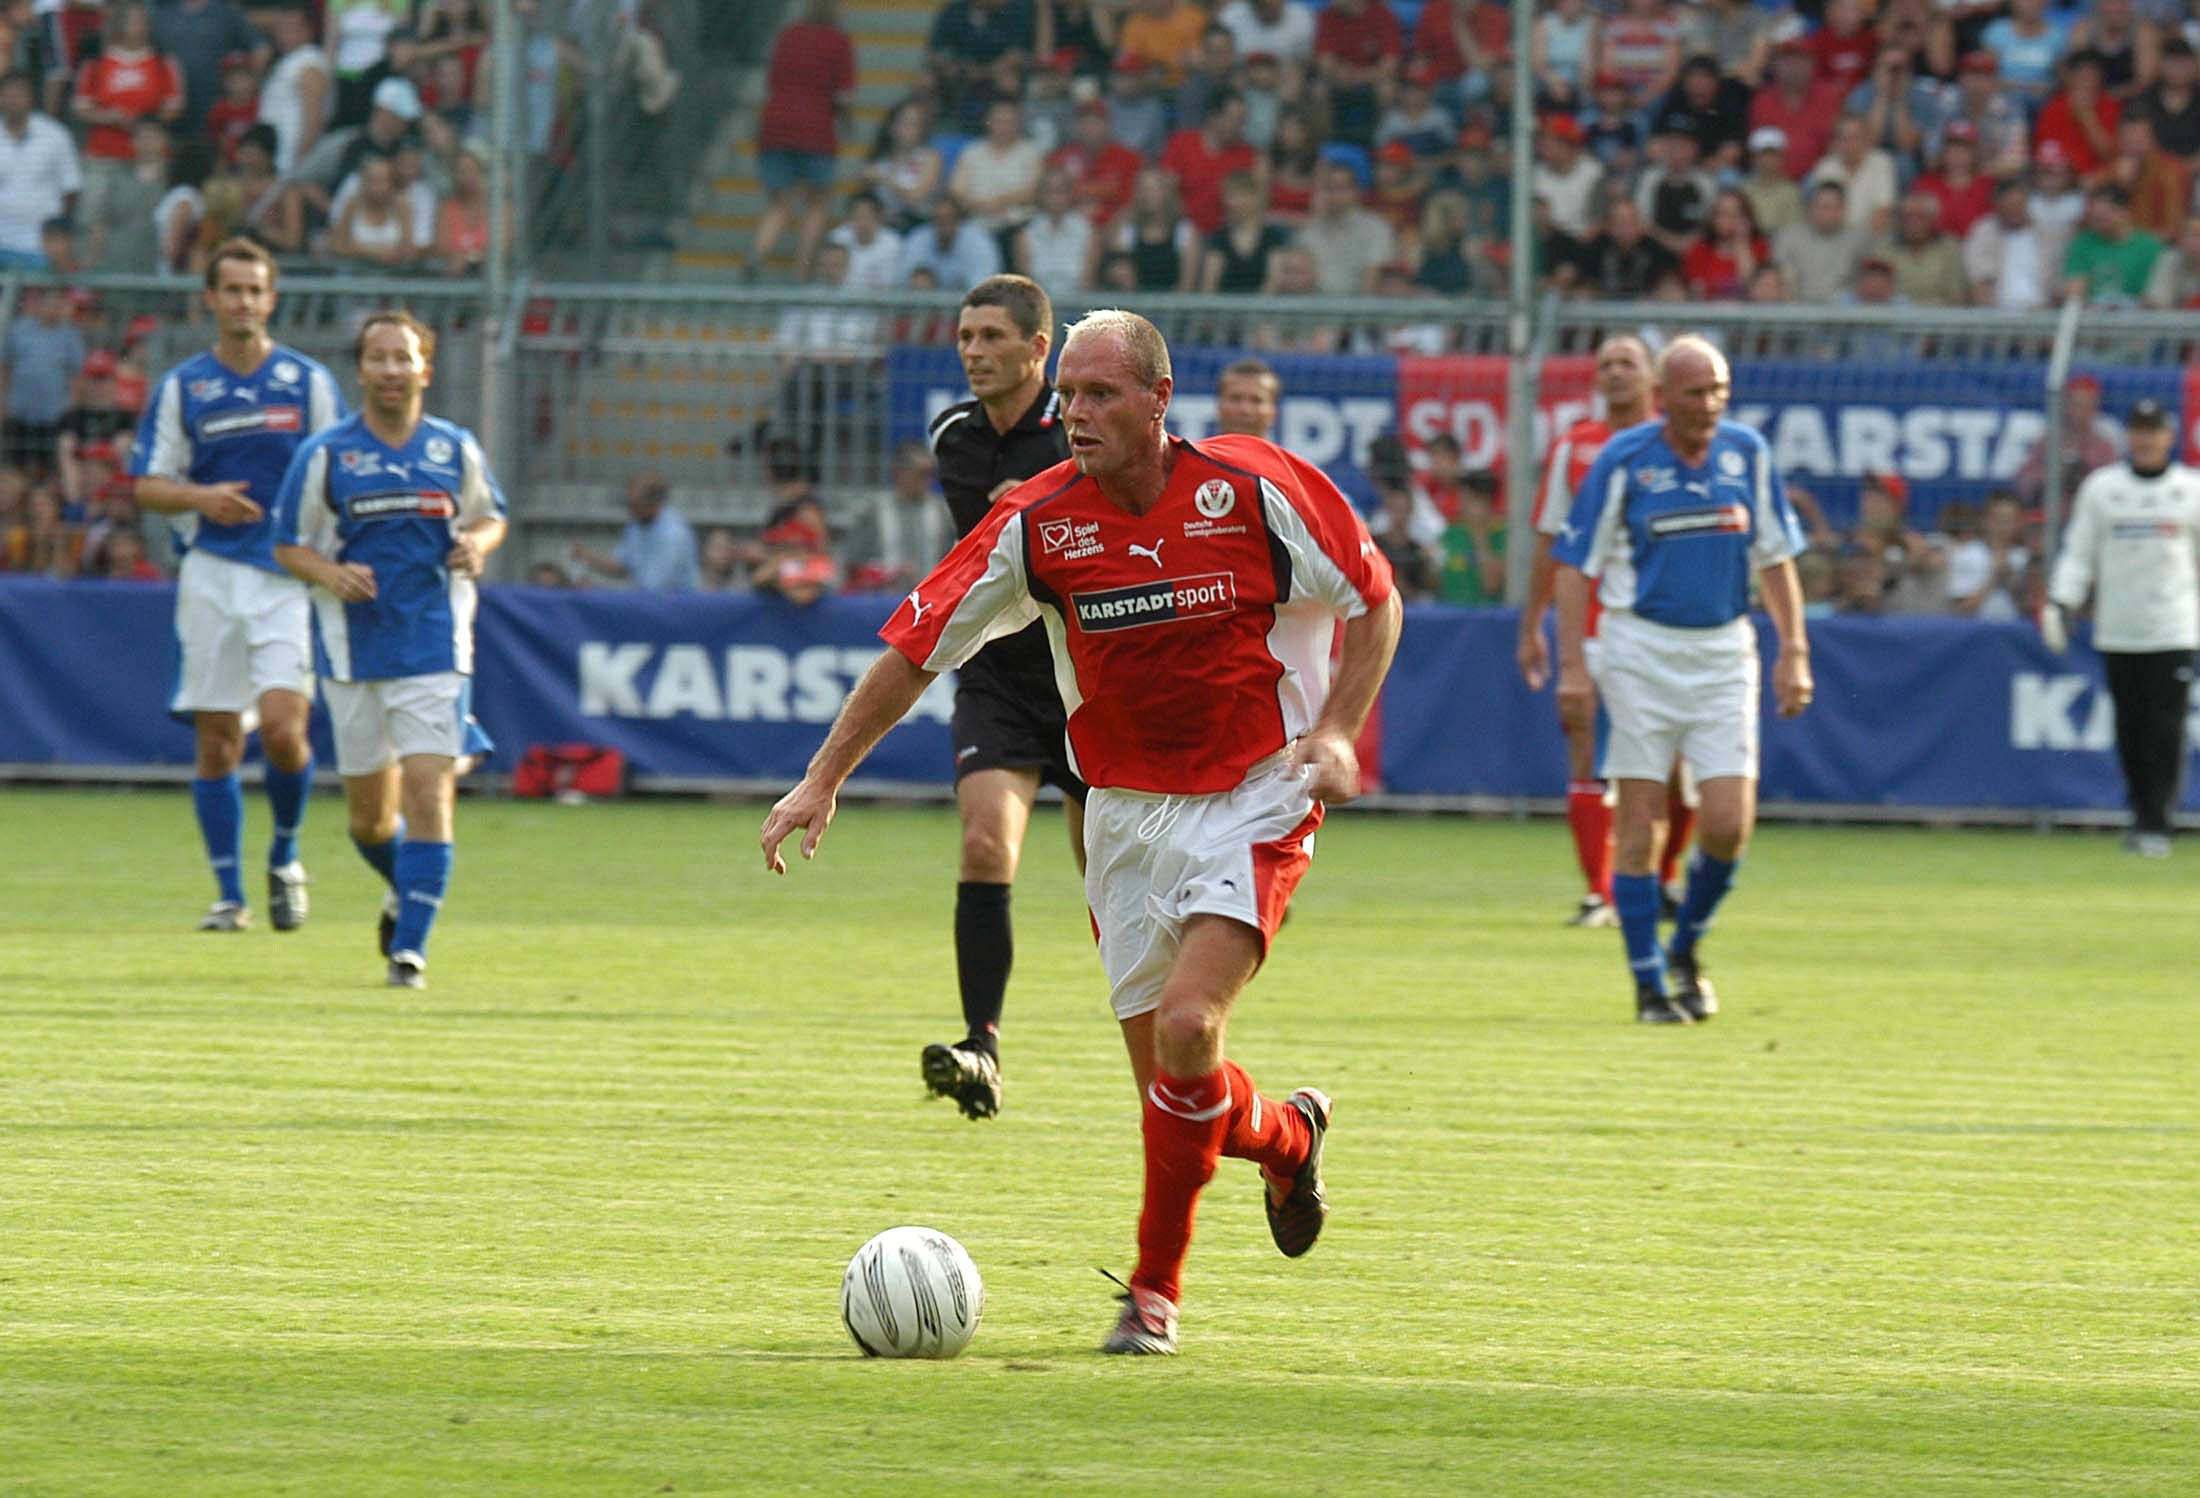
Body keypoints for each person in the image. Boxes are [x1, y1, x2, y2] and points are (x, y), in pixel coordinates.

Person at [760, 307, 1401, 1356]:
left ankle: (1152, 1296)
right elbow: (917, 649)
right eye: (1067, 397)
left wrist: (1335, 730)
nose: (1076, 414)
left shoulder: (1251, 487)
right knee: (1174, 1088)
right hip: (1123, 817)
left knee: (1191, 1033)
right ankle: (1288, 1137)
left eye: (1099, 394)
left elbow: (1375, 599)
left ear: (1159, 400)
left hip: (1254, 794)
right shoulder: (1036, 520)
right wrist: (819, 780)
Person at [1552, 335, 1813, 1023]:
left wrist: (1795, 650)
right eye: (1696, 392)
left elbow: (1778, 556)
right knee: (1641, 825)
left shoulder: (1746, 454)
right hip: (1640, 651)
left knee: (1728, 823)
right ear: (1662, 397)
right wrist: (1574, 666)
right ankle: (1646, 985)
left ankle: (1687, 945)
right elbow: (1574, 564)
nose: (1710, 404)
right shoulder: (1624, 459)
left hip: (1725, 652)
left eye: (1720, 390)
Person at [272, 310, 507, 988]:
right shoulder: (325, 455)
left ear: (424, 368)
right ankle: (405, 886)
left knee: (431, 791)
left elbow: (491, 516)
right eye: (378, 357)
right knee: (371, 821)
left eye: (403, 357)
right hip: (353, 653)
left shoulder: (452, 448)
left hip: (435, 643)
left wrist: (477, 544)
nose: (391, 370)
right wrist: (330, 573)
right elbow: (288, 545)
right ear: (361, 369)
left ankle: (409, 952)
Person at [129, 239, 345, 934]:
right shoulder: (184, 387)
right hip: (212, 575)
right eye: (233, 289)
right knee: (218, 738)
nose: (244, 301)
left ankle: (285, 855)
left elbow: (334, 471)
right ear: (211, 299)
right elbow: (147, 486)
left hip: (284, 575)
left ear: (272, 299)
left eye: (256, 290)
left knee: (285, 731)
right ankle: (229, 896)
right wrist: (202, 497)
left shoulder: (307, 383)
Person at [914, 275, 1083, 1122]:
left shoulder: (1083, 434)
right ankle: (982, 1046)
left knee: (1116, 891)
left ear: (1036, 349)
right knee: (985, 845)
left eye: (990, 336)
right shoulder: (952, 437)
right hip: (997, 680)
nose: (974, 351)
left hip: (1090, 684)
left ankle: (1172, 1043)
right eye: (965, 335)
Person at [1518, 335, 1696, 927]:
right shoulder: (1575, 448)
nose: (1616, 374)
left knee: (1673, 762)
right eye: (1606, 366)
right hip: (1590, 623)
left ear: (1653, 380)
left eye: (1628, 364)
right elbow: (1551, 539)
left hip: (1666, 625)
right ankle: (1601, 892)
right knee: (1586, 747)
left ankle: (1664, 878)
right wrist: (1532, 625)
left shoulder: (1681, 445)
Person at [2043, 399, 2200, 858]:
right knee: (2131, 728)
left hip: (2173, 627)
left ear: (2169, 437)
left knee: (2164, 726)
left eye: (2154, 431)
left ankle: (2157, 821)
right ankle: (2139, 814)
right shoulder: (2103, 489)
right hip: (2119, 628)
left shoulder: (2189, 490)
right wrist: (2060, 601)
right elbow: (2079, 553)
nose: (2146, 440)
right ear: (2128, 437)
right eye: (2139, 431)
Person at [569, 472, 699, 592]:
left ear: (654, 504)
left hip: (674, 608)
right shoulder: (636, 526)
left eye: (634, 504)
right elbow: (621, 566)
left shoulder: (674, 534)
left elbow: (652, 589)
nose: (629, 510)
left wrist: (598, 590)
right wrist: (585, 556)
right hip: (646, 605)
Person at [1214, 357, 1279, 439]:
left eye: (1256, 400)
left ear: (1273, 412)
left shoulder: (1287, 452)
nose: (1245, 410)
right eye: (1235, 399)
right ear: (1219, 406)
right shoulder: (1195, 452)